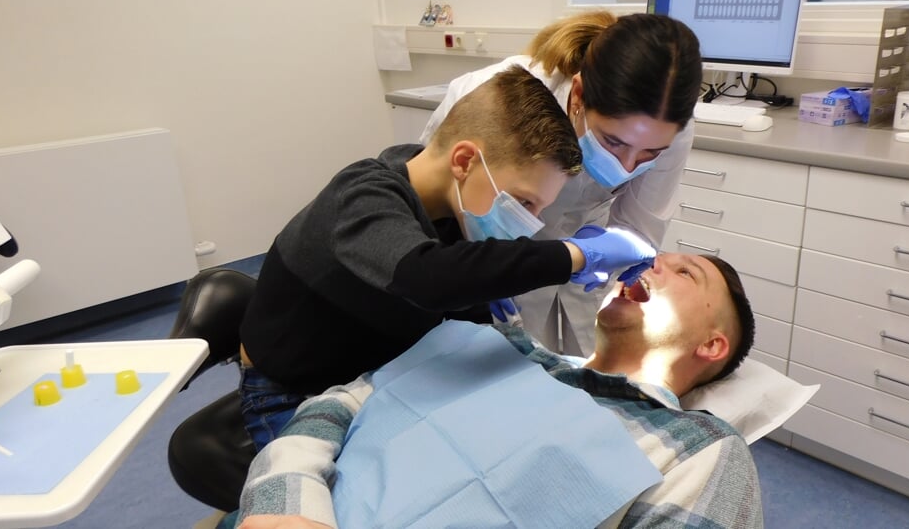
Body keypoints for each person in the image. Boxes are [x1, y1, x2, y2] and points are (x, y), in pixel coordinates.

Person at [236, 65, 657, 454]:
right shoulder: (363, 194)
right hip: (292, 391)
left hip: (370, 375)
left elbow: (462, 294)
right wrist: (577, 254)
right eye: (525, 201)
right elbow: (429, 278)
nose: (532, 223)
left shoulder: (456, 216)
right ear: (464, 161)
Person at [230, 252, 759, 529]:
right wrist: (288, 506)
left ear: (712, 346)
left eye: (684, 271)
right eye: (656, 257)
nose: (653, 263)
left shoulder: (698, 449)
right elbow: (335, 406)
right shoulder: (492, 343)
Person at [419, 10, 702, 357]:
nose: (626, 166)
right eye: (613, 142)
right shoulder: (493, 98)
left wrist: (606, 254)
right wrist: (481, 271)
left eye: (648, 154)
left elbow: (639, 227)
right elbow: (429, 207)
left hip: (577, 266)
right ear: (580, 95)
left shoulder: (673, 130)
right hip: (472, 259)